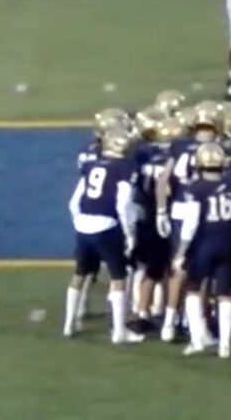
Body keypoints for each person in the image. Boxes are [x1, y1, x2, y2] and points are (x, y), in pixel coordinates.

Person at [172, 143, 231, 358]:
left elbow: (190, 224)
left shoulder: (196, 188)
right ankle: (225, 346)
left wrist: (181, 251)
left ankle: (197, 340)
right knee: (224, 294)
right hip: (226, 244)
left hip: (204, 245)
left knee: (193, 290)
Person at [63, 129, 144, 345]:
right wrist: (129, 232)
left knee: (80, 274)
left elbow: (74, 201)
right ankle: (119, 331)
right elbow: (123, 203)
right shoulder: (125, 167)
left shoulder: (92, 165)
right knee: (119, 277)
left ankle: (69, 324)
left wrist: (79, 222)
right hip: (107, 226)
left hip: (83, 226)